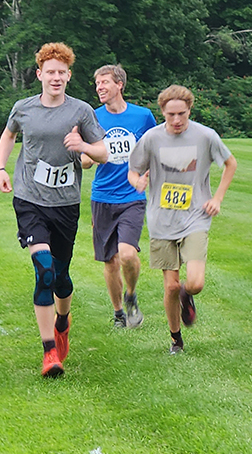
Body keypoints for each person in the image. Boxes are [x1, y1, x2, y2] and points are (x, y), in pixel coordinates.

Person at [0, 42, 108, 377]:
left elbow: (102, 153)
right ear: (39, 74)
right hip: (30, 200)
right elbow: (8, 135)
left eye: (62, 72)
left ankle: (62, 320)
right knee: (43, 269)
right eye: (50, 72)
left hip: (65, 204)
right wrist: (1, 169)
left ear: (69, 76)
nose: (56, 77)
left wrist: (83, 145)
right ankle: (49, 353)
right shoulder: (24, 108)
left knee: (60, 276)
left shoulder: (81, 111)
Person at [128, 85, 237, 355]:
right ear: (162, 112)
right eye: (171, 115)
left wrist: (218, 198)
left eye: (182, 114)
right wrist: (138, 181)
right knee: (171, 286)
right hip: (161, 221)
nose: (177, 120)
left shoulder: (205, 136)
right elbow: (133, 170)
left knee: (194, 282)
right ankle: (176, 339)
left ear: (190, 110)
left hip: (195, 218)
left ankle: (189, 297)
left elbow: (230, 163)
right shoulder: (152, 139)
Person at [82, 64, 157, 328]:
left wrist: (147, 173)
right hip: (102, 196)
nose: (99, 87)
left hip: (132, 196)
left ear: (119, 84)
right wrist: (86, 156)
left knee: (126, 254)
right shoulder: (93, 117)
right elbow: (84, 158)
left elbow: (154, 148)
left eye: (104, 82)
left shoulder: (143, 116)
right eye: (97, 84)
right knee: (110, 261)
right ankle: (118, 314)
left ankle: (131, 295)